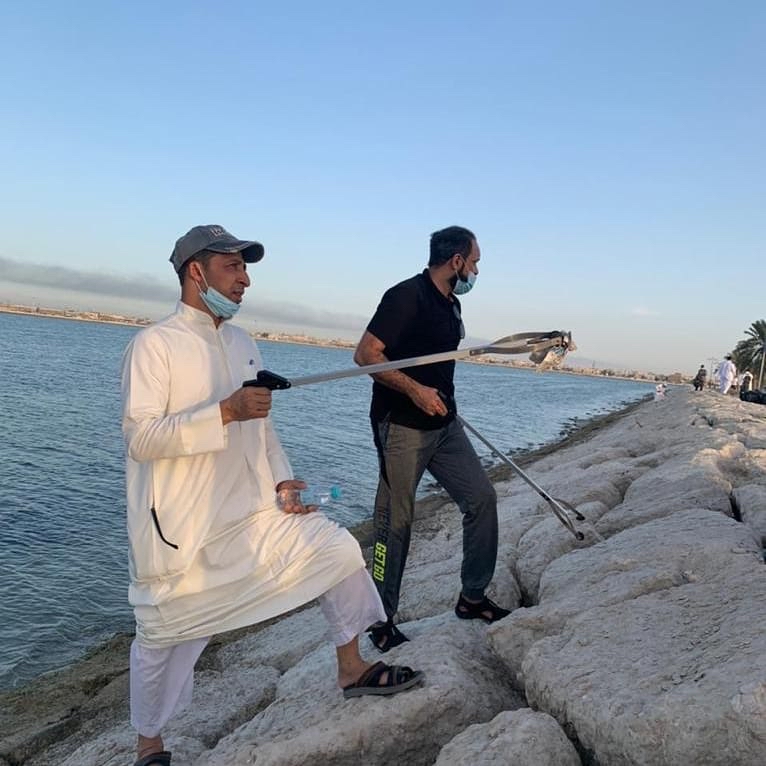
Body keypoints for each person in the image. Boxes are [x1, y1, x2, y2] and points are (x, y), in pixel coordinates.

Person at [122, 225, 423, 766]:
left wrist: (282, 481)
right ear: (196, 272)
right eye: (233, 267)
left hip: (252, 511)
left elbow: (261, 425)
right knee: (163, 634)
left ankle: (352, 668)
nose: (245, 280)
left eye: (245, 268)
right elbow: (141, 439)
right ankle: (150, 748)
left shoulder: (243, 342)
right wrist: (224, 411)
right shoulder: (154, 345)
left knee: (335, 549)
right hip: (181, 527)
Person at [353, 225, 510, 653]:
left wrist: (437, 397)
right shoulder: (406, 296)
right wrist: (416, 391)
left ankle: (472, 597)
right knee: (395, 523)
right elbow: (366, 355)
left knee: (481, 499)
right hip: (402, 427)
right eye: (474, 262)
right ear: (456, 260)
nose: (476, 271)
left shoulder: (452, 303)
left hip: (445, 426)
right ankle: (379, 620)